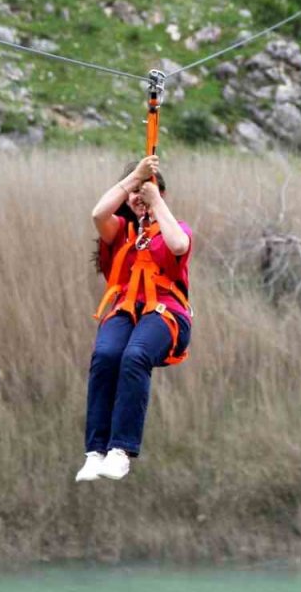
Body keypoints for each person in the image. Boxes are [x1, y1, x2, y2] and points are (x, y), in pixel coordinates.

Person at [76, 155, 193, 482]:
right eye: (134, 195)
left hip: (165, 314)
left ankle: (120, 450)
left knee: (135, 355)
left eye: (148, 192)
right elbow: (99, 213)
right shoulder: (119, 231)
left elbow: (179, 244)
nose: (139, 199)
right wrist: (134, 180)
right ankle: (95, 451)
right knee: (105, 355)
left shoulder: (175, 228)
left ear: (161, 195)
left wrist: (156, 202)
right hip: (125, 310)